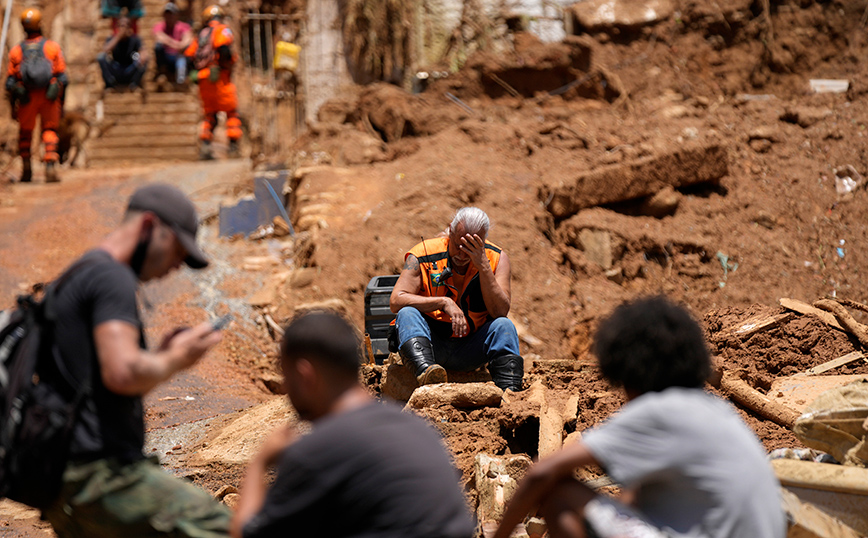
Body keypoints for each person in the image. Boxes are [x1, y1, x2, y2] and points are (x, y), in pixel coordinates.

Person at [494, 296, 786, 538]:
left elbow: (540, 474)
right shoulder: (715, 410)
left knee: (560, 493)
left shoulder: (659, 411)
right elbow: (636, 496)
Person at [41, 184, 232, 538]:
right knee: (220, 528)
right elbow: (123, 374)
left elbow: (96, 383)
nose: (177, 266)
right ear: (149, 226)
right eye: (178, 249)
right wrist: (177, 359)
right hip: (99, 475)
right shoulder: (111, 278)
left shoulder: (81, 273)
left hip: (64, 478)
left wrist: (160, 356)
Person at [231, 311, 476, 538]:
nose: (285, 388)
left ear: (305, 376)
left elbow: (245, 533)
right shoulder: (417, 428)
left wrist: (259, 463)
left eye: (286, 375)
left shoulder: (318, 450)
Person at [389, 207, 524, 391]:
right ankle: (427, 375)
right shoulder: (423, 254)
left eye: (469, 249)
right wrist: (443, 302)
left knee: (504, 326)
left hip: (469, 349)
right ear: (450, 232)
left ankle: (510, 393)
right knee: (407, 313)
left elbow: (500, 311)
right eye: (458, 246)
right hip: (431, 342)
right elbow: (396, 300)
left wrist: (483, 267)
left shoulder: (497, 259)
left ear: (482, 242)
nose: (461, 256)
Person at [5, 7, 67, 183]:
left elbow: (10, 81)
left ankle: (26, 169)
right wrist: (60, 97)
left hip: (27, 97)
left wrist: (16, 98)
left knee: (25, 133)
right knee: (49, 130)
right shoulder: (52, 47)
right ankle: (50, 167)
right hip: (49, 96)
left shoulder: (17, 51)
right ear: (40, 24)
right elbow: (63, 76)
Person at [185, 5, 242, 160]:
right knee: (231, 112)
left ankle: (205, 146)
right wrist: (227, 65)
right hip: (219, 78)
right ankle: (233, 146)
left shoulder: (201, 35)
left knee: (210, 114)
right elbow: (224, 49)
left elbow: (189, 56)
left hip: (204, 80)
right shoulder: (222, 30)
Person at [98, 15, 148, 94]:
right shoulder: (112, 38)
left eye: (126, 26)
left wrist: (142, 56)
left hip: (130, 69)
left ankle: (134, 84)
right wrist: (118, 37)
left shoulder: (135, 39)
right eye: (121, 26)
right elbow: (106, 50)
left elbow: (143, 52)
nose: (124, 28)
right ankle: (110, 85)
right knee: (101, 58)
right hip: (116, 69)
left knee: (145, 59)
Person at [153, 2, 192, 88]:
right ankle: (162, 71)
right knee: (158, 47)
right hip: (167, 57)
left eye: (171, 14)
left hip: (178, 56)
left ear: (176, 15)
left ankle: (182, 79)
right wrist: (177, 45)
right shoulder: (159, 26)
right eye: (167, 14)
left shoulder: (184, 26)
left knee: (185, 54)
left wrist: (173, 44)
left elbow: (188, 40)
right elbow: (159, 37)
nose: (169, 17)